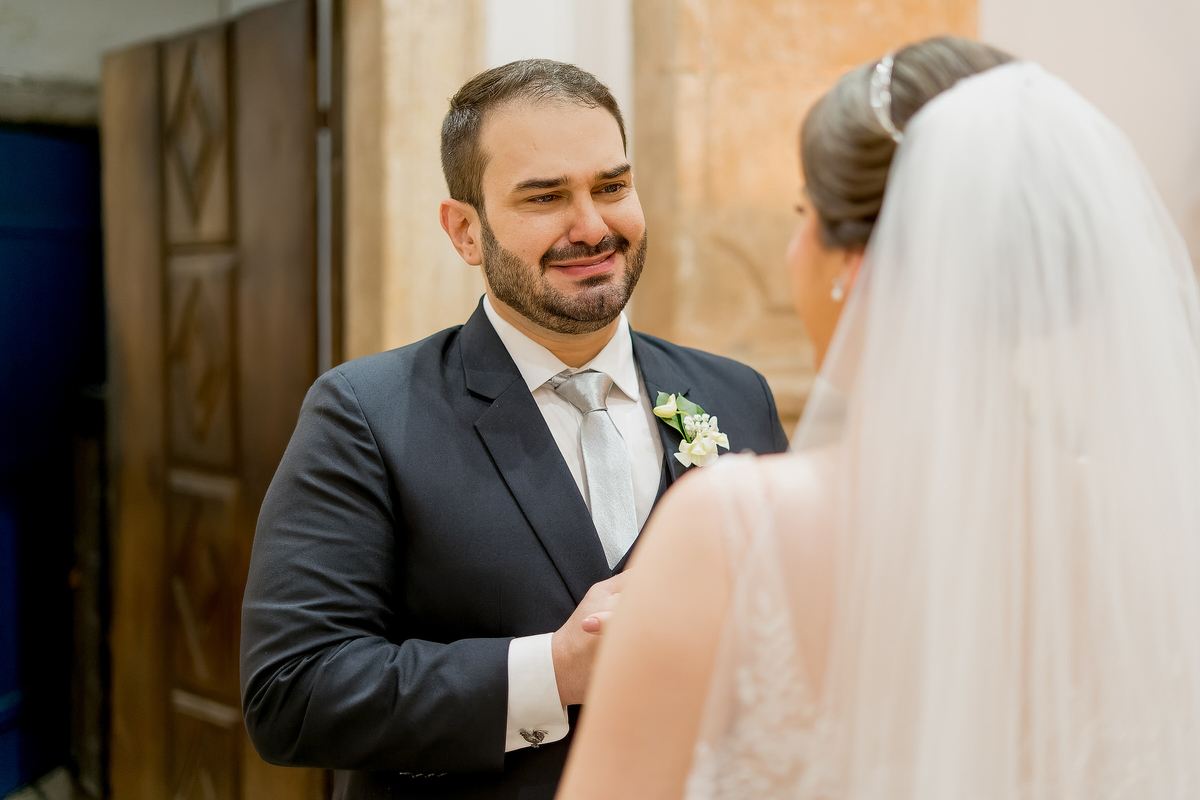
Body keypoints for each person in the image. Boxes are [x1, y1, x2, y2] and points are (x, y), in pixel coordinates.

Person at [557, 36, 1200, 800]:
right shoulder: (1135, 522)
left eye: (803, 214)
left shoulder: (729, 531)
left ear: (853, 265)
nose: (793, 248)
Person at [239, 59, 790, 800]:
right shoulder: (364, 413)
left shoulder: (737, 395)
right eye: (545, 197)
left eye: (612, 186)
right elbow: (291, 694)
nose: (592, 227)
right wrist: (553, 673)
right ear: (466, 230)